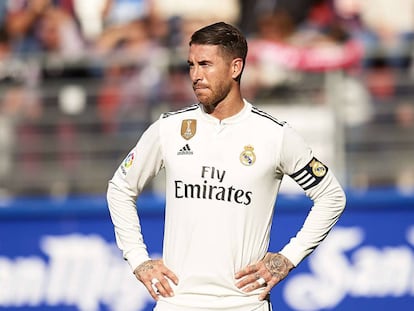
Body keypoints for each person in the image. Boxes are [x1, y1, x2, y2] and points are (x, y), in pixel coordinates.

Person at [106, 21, 346, 311]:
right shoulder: (169, 128)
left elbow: (331, 196)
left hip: (244, 303)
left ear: (236, 68)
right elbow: (120, 187)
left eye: (205, 64)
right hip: (177, 302)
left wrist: (287, 258)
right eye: (191, 65)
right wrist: (138, 259)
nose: (195, 75)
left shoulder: (274, 135)